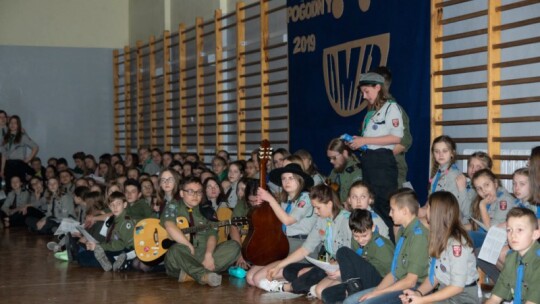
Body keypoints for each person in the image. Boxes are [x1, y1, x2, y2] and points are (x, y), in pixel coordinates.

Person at [258, 184, 352, 295]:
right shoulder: (322, 220)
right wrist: (279, 266)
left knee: (316, 272)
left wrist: (337, 266)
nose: (316, 212)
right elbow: (305, 249)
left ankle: (287, 287)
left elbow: (353, 254)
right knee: (289, 269)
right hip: (329, 264)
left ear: (330, 204)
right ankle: (309, 285)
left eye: (318, 208)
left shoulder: (347, 220)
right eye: (314, 208)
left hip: (345, 266)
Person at [344, 189, 429, 304]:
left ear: (404, 211)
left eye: (392, 210)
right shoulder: (402, 231)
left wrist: (378, 293)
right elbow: (394, 272)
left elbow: (411, 281)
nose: (389, 214)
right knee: (350, 301)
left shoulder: (418, 236)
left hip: (413, 289)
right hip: (398, 282)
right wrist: (376, 291)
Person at [348, 72, 403, 242]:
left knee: (385, 208)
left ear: (378, 87)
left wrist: (366, 140)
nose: (364, 96)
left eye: (366, 91)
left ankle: (391, 248)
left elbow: (396, 138)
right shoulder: (374, 112)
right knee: (372, 207)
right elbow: (373, 141)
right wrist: (360, 143)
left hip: (382, 163)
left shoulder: (391, 108)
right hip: (370, 162)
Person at [400, 191, 479, 304]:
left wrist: (422, 300)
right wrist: (418, 293)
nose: (425, 210)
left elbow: (457, 287)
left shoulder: (456, 244)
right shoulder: (439, 237)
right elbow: (435, 276)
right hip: (445, 292)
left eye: (428, 207)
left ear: (435, 212)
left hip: (463, 298)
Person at [247, 163, 317, 287]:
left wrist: (271, 200)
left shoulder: (305, 198)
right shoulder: (285, 200)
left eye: (291, 178)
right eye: (283, 178)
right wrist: (263, 204)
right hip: (284, 246)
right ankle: (290, 280)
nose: (286, 181)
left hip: (301, 247)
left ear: (300, 180)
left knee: (259, 279)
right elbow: (275, 221)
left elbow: (288, 220)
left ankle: (300, 281)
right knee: (250, 277)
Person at [162, 176, 240, 287]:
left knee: (234, 246)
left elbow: (212, 234)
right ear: (181, 193)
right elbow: (169, 226)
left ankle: (191, 274)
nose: (195, 195)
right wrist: (188, 244)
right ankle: (203, 275)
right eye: (190, 191)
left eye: (199, 192)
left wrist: (208, 255)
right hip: (183, 256)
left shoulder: (207, 210)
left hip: (203, 256)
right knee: (175, 250)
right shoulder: (173, 206)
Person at [318, 209, 394, 303]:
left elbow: (393, 273)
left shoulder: (381, 246)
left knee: (343, 251)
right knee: (327, 294)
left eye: (364, 235)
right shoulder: (355, 241)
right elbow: (355, 262)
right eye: (356, 236)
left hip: (379, 281)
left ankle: (352, 288)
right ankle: (351, 288)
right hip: (360, 280)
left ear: (373, 228)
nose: (360, 240)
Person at [485, 207, 540, 304]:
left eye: (519, 230)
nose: (513, 235)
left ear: (535, 234)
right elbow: (495, 298)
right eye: (509, 230)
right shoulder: (511, 258)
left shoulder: (537, 262)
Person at [372, 66, 412, 188]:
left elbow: (406, 140)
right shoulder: (374, 111)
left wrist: (382, 157)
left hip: (391, 171)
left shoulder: (394, 110)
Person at [77, 191, 135, 271]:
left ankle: (114, 263)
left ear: (124, 205)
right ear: (109, 207)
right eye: (112, 205)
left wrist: (99, 246)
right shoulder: (113, 220)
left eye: (118, 204)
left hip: (125, 251)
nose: (115, 207)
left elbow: (121, 245)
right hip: (114, 249)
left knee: (86, 258)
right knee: (84, 255)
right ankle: (112, 263)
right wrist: (97, 245)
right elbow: (110, 240)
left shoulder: (126, 222)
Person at [468, 169, 515, 247]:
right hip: (489, 238)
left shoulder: (504, 200)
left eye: (486, 185)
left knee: (468, 236)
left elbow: (490, 229)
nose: (484, 191)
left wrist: (482, 206)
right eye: (479, 188)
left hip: (501, 240)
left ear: (495, 184)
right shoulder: (488, 199)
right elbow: (476, 225)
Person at [426, 135, 468, 222]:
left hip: (448, 218)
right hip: (437, 213)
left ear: (452, 153)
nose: (440, 154)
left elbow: (454, 205)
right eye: (437, 151)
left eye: (445, 151)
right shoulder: (437, 172)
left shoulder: (454, 175)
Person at [0, 115, 38, 193]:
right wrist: (2, 169)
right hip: (8, 165)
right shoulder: (5, 138)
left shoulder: (22, 136)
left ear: (18, 125)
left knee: (20, 187)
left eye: (15, 123)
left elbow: (35, 147)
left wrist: (28, 159)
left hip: (19, 165)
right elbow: (4, 155)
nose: (12, 125)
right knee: (9, 188)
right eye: (11, 122)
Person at [326, 138, 363, 204]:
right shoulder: (336, 169)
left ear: (345, 153)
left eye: (334, 158)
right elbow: (328, 184)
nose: (331, 161)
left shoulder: (357, 172)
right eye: (329, 158)